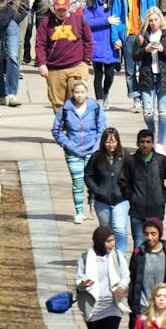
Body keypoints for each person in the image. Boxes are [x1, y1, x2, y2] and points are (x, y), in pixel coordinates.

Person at [76, 226, 131, 329]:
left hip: (113, 305)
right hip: (93, 306)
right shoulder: (86, 258)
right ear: (100, 241)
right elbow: (78, 280)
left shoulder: (116, 256)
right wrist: (83, 284)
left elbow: (125, 275)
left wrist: (122, 286)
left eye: (113, 240)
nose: (112, 244)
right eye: (108, 241)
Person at [54, 80, 106, 223]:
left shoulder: (95, 108)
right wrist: (67, 144)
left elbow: (102, 128)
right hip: (73, 151)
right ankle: (79, 211)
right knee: (77, 181)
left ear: (86, 92)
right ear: (72, 93)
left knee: (93, 180)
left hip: (92, 150)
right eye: (77, 92)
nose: (79, 95)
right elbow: (56, 131)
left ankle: (94, 203)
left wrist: (97, 146)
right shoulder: (65, 109)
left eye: (82, 92)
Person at [122, 129, 166, 249]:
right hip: (137, 212)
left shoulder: (161, 160)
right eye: (142, 142)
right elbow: (122, 181)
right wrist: (132, 197)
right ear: (137, 143)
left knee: (154, 246)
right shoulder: (130, 161)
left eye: (148, 142)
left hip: (156, 212)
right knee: (139, 246)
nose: (145, 145)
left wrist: (162, 197)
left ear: (153, 143)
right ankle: (138, 268)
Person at [35, 0, 93, 110]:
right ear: (54, 9)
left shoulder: (78, 20)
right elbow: (40, 44)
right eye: (58, 10)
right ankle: (63, 125)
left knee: (76, 99)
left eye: (64, 10)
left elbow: (88, 41)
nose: (61, 13)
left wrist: (86, 61)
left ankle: (74, 125)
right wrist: (42, 63)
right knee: (57, 102)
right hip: (54, 68)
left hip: (76, 66)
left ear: (69, 8)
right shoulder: (46, 23)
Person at [113, 0, 158, 113]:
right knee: (130, 71)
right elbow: (115, 15)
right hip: (128, 35)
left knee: (147, 68)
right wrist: (116, 37)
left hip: (144, 34)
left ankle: (147, 98)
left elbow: (154, 13)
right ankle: (136, 99)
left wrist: (156, 32)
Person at [133, 6, 166, 147]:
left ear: (160, 19)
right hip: (147, 75)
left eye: (156, 19)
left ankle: (160, 144)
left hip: (164, 77)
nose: (153, 23)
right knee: (148, 112)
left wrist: (163, 50)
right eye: (151, 20)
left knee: (162, 112)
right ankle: (151, 137)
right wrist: (145, 50)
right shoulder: (142, 35)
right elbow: (134, 56)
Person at [128, 215, 166, 324]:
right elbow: (132, 280)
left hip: (164, 309)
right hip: (143, 307)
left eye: (153, 234)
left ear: (159, 234)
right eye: (146, 234)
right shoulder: (138, 254)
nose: (149, 238)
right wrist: (133, 304)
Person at [87, 127, 132, 257]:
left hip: (121, 200)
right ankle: (107, 255)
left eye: (113, 142)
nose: (111, 145)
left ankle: (120, 256)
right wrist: (97, 190)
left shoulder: (125, 156)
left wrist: (127, 191)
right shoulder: (97, 157)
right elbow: (88, 175)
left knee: (119, 229)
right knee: (106, 230)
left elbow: (133, 174)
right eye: (107, 142)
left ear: (118, 142)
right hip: (102, 201)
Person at [85, 0, 124, 108]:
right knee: (98, 73)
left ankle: (106, 92)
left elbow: (120, 20)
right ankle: (99, 98)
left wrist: (119, 38)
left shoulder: (115, 1)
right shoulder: (92, 2)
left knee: (110, 73)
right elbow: (87, 22)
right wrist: (106, 20)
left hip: (111, 44)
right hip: (97, 42)